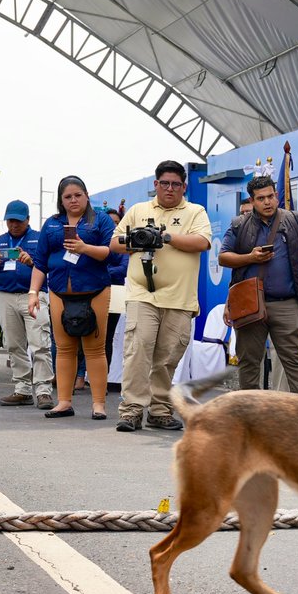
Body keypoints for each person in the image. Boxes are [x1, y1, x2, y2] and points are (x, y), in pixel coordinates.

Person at [110, 161, 211, 431]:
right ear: (155, 184)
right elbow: (114, 243)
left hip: (180, 297)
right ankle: (131, 410)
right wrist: (138, 240)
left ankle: (160, 409)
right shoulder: (138, 210)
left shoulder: (195, 211)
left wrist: (166, 237)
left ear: (184, 187)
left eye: (175, 184)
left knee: (167, 357)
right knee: (138, 349)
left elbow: (202, 242)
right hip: (142, 294)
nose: (169, 188)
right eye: (164, 183)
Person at [219, 176, 298, 394]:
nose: (267, 202)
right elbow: (223, 257)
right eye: (261, 198)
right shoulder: (239, 224)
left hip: (287, 304)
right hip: (249, 303)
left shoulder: (295, 220)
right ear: (252, 201)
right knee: (249, 365)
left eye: (271, 196)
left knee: (295, 362)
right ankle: (250, 418)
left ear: (276, 195)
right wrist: (251, 258)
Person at [30, 176, 115, 420]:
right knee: (64, 349)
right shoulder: (52, 224)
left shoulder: (100, 220)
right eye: (67, 196)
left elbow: (111, 252)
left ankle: (99, 404)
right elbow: (40, 262)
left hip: (95, 291)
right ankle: (64, 402)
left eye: (78, 195)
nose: (73, 200)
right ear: (61, 200)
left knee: (95, 350)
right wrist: (33, 293)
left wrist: (85, 248)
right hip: (58, 292)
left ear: (87, 196)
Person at [0, 200, 54, 409]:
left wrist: (32, 262)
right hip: (5, 296)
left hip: (33, 295)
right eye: (10, 220)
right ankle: (22, 389)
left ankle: (43, 390)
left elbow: (51, 267)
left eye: (18, 221)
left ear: (28, 220)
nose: (13, 225)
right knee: (14, 345)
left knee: (40, 343)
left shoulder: (40, 239)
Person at [104, 208, 128, 373]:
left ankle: (102, 379)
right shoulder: (95, 241)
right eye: (109, 222)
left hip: (115, 293)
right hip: (93, 291)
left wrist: (100, 272)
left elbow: (123, 268)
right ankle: (80, 376)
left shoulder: (124, 243)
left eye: (117, 223)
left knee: (107, 338)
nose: (113, 226)